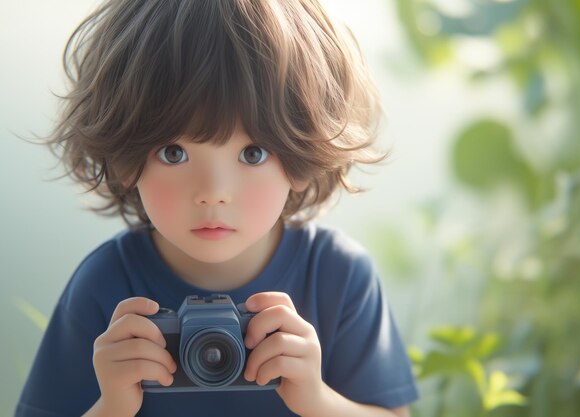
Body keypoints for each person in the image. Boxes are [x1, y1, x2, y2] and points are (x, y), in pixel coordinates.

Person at [15, 0, 419, 416]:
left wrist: (316, 400)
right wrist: (113, 405)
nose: (213, 193)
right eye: (174, 153)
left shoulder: (337, 276)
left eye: (253, 153)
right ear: (125, 159)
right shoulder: (105, 284)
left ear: (301, 157)